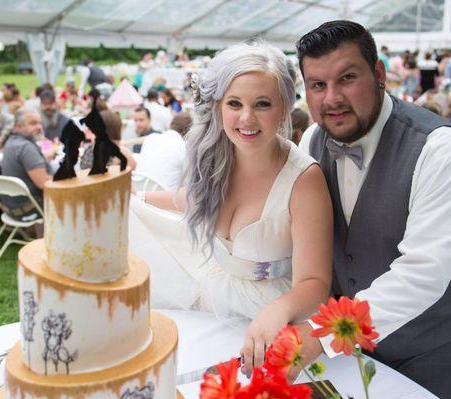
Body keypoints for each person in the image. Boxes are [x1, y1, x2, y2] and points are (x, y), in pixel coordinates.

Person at [293, 20, 451, 399]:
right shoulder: (314, 139)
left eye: (347, 78)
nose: (332, 98)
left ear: (379, 74)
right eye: (318, 85)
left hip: (433, 345)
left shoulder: (441, 150)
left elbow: (422, 275)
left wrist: (327, 333)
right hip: (350, 350)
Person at [131, 41, 333, 373]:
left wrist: (279, 310)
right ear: (218, 106)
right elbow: (192, 200)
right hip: (214, 298)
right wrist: (135, 199)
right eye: (234, 103)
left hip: (270, 317)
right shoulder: (217, 158)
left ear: (284, 108)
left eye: (262, 104)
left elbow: (315, 282)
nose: (246, 118)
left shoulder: (304, 180)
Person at [0, 107, 52, 229]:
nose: (39, 127)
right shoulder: (25, 147)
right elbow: (43, 183)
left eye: (40, 123)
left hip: (12, 209)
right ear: (18, 127)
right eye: (33, 123)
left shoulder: (11, 142)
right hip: (29, 209)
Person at [135, 112, 191, 190]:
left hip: (138, 191)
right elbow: (188, 183)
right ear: (189, 133)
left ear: (170, 125)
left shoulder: (150, 139)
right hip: (162, 197)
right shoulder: (183, 147)